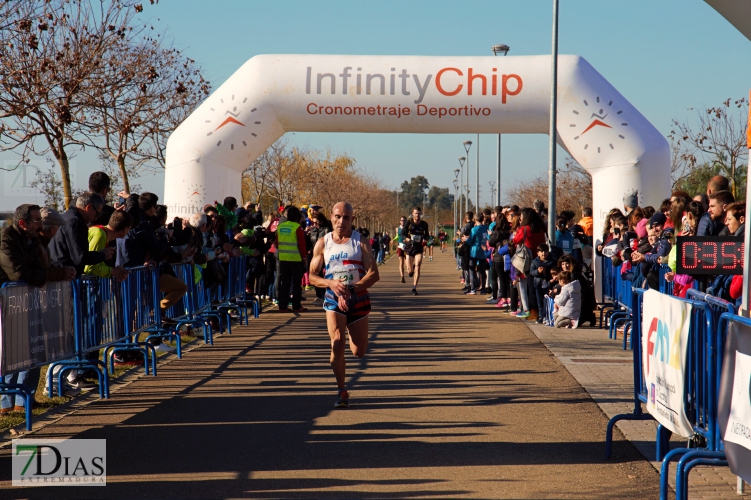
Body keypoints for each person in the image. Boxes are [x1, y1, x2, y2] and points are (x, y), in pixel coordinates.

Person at [0, 205, 76, 414]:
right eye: (36, 221)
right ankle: (6, 402)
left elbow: (39, 270)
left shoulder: (32, 241)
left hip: (25, 302)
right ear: (23, 223)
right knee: (10, 353)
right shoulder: (7, 239)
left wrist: (46, 275)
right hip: (7, 303)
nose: (40, 225)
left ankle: (22, 400)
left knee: (30, 351)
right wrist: (43, 278)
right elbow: (18, 273)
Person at [309, 202, 379, 408]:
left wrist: (353, 288)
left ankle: (351, 329)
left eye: (346, 218)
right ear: (331, 217)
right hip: (332, 298)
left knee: (358, 352)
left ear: (352, 220)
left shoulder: (361, 242)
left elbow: (374, 274)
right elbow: (312, 276)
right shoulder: (323, 243)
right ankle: (342, 391)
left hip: (357, 298)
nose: (341, 222)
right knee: (337, 342)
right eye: (338, 217)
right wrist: (330, 283)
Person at [49, 192, 115, 278]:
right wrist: (103, 255)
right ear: (89, 207)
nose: (96, 218)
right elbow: (79, 257)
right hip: (67, 277)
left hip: (60, 272)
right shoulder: (75, 223)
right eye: (97, 214)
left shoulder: (66, 216)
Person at [274, 205, 307, 312]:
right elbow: (301, 245)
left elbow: (277, 244)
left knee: (285, 283)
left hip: (283, 259)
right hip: (296, 259)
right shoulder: (297, 227)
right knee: (297, 284)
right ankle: (296, 305)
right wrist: (304, 258)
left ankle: (283, 306)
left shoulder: (280, 227)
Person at [84, 211, 132, 281]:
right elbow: (90, 266)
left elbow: (96, 262)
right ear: (125, 229)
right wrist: (113, 271)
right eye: (129, 228)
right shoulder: (100, 235)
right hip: (84, 282)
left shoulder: (101, 232)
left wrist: (116, 271)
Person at [403, 207, 429, 295]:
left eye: (418, 213)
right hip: (409, 247)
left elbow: (427, 235)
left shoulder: (424, 224)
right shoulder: (409, 222)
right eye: (415, 213)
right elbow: (402, 234)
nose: (417, 215)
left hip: (418, 247)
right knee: (409, 271)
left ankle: (414, 287)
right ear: (412, 214)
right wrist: (406, 238)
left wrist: (425, 239)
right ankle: (411, 270)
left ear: (421, 214)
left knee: (418, 266)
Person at [529, 244, 555, 324]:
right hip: (538, 285)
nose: (544, 253)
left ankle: (547, 316)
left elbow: (554, 271)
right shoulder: (535, 261)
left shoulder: (552, 261)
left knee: (547, 301)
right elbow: (531, 272)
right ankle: (541, 316)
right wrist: (537, 271)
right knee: (539, 302)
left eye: (545, 251)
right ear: (538, 253)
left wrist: (546, 271)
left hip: (548, 284)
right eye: (541, 251)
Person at [396, 216, 408, 283]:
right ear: (400, 221)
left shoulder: (408, 228)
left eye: (404, 220)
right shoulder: (397, 229)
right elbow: (397, 237)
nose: (403, 221)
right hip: (400, 246)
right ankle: (402, 276)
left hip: (406, 246)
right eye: (401, 220)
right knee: (401, 262)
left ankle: (410, 269)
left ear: (406, 221)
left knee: (407, 263)